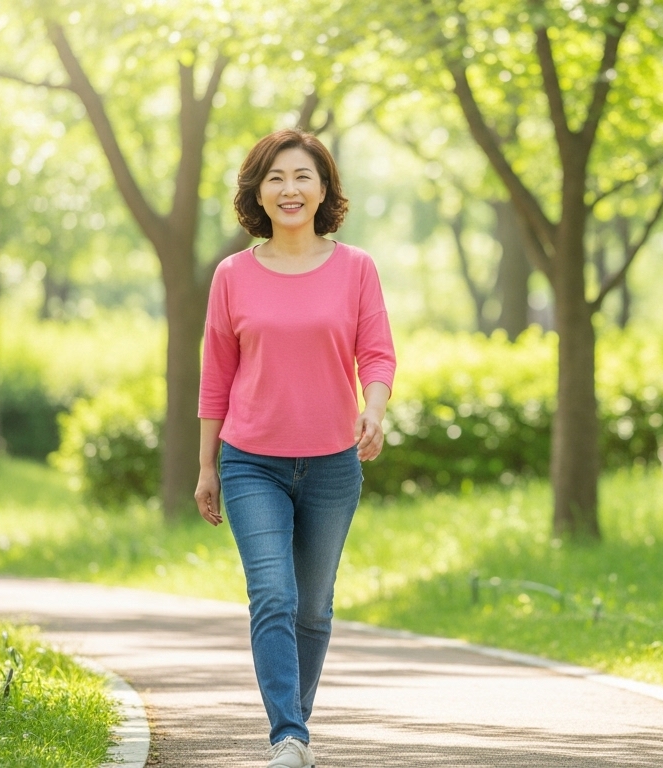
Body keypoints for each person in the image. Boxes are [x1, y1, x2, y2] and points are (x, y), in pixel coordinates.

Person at [194, 128, 395, 768]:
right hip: (251, 460)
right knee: (273, 595)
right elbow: (215, 376)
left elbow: (378, 352)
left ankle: (293, 727)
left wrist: (375, 409)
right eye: (276, 177)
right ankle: (289, 734)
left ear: (324, 188)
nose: (289, 189)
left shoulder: (356, 268)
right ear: (258, 190)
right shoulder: (232, 275)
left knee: (313, 605)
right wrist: (206, 467)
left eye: (303, 176)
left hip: (334, 462)